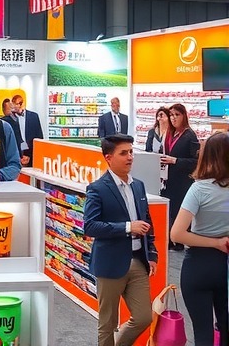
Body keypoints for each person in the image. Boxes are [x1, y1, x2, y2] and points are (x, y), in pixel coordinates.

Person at [84, 134, 158, 346]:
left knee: (144, 316)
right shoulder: (97, 188)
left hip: (138, 261)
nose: (130, 157)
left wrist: (152, 253)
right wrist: (127, 227)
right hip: (110, 263)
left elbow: (147, 220)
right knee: (107, 322)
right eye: (123, 153)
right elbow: (90, 226)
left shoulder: (138, 186)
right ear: (108, 158)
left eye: (131, 152)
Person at [170, 131, 229, 346]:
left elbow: (177, 234)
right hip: (225, 266)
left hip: (198, 265)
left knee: (202, 332)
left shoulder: (199, 189)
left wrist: (215, 242)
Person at [159, 103, 199, 251]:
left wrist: (176, 161)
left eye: (177, 115)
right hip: (167, 179)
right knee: (168, 210)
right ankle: (169, 239)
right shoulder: (169, 134)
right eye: (171, 115)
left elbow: (195, 162)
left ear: (184, 116)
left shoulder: (189, 135)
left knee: (178, 210)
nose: (173, 118)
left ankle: (179, 241)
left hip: (182, 181)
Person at [11, 94, 43, 166]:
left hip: (31, 155)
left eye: (15, 104)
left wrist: (29, 155)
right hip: (16, 155)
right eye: (13, 104)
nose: (13, 106)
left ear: (21, 104)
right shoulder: (10, 119)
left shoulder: (34, 116)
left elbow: (39, 137)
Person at [1, 98, 30, 167]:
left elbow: (19, 138)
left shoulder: (16, 120)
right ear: (4, 110)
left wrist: (23, 154)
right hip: (9, 156)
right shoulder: (4, 122)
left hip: (19, 154)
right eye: (9, 108)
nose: (11, 110)